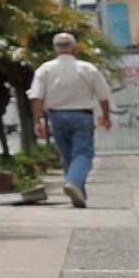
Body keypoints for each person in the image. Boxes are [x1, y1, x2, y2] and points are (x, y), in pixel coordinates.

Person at [27, 31, 114, 208]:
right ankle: (74, 182)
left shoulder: (45, 69)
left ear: (55, 49)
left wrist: (37, 121)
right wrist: (106, 116)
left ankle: (78, 194)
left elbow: (36, 97)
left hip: (56, 116)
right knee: (83, 154)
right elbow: (103, 96)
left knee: (67, 156)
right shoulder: (87, 68)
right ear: (74, 49)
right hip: (82, 116)